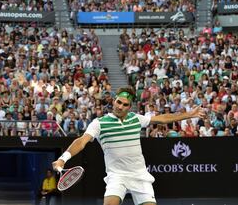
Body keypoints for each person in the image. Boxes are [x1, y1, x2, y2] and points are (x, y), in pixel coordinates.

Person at [52, 86, 205, 205]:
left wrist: (189, 114)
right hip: (117, 176)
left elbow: (162, 118)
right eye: (118, 102)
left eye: (125, 105)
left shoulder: (136, 119)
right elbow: (81, 141)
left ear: (129, 106)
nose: (120, 106)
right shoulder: (99, 123)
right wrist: (62, 159)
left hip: (139, 175)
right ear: (114, 100)